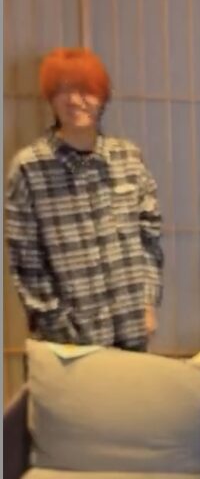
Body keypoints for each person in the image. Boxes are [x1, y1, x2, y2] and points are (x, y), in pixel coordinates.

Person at [6, 47, 163, 349]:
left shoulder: (128, 157)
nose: (75, 101)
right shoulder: (29, 167)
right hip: (67, 341)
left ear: (103, 97)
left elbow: (149, 237)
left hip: (131, 328)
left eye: (86, 91)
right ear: (50, 98)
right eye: (63, 91)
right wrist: (56, 326)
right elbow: (26, 260)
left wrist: (148, 304)